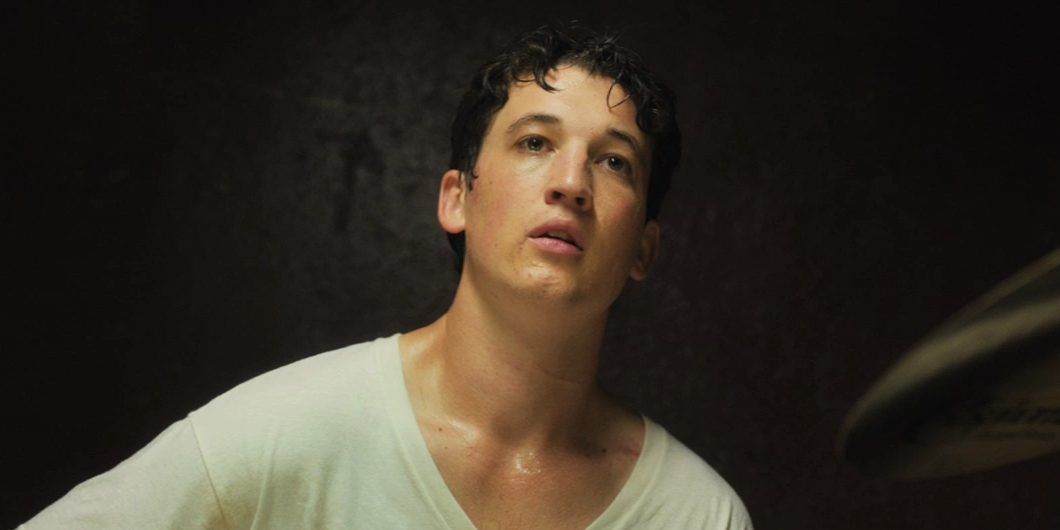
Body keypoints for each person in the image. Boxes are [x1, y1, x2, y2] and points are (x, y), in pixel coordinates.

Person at [21, 26, 753, 529]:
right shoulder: (289, 429)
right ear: (458, 199)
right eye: (535, 142)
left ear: (644, 249)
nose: (570, 183)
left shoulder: (697, 514)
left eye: (614, 161)